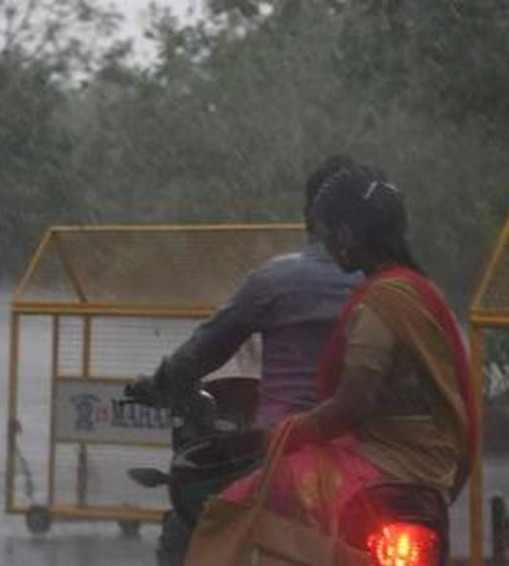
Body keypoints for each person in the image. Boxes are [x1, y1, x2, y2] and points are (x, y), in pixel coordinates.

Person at [187, 165, 480, 559]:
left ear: (344, 237)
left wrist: (288, 432)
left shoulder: (381, 301)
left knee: (234, 507)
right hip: (434, 470)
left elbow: (353, 403)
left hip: (382, 465)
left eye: (327, 235)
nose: (326, 245)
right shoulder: (422, 292)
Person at [136, 155, 361, 565]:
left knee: (194, 523)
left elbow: (202, 352)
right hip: (372, 458)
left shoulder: (274, 280)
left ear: (310, 218)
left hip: (279, 454)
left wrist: (162, 382)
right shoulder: (392, 288)